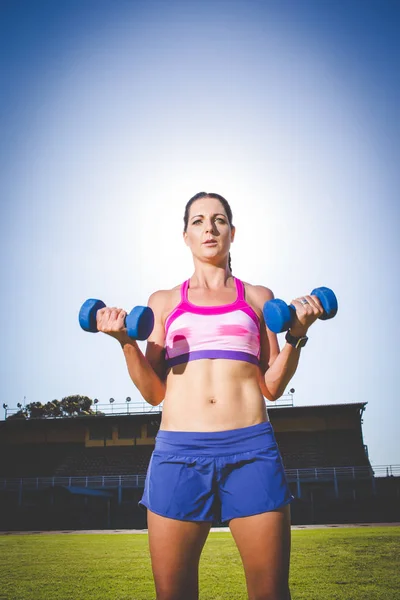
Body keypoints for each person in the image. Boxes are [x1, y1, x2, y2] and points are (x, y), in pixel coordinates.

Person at [96, 192, 324, 600]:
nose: (209, 228)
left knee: (271, 593)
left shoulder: (258, 298)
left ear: (232, 233)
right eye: (198, 221)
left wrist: (298, 334)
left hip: (251, 450)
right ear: (185, 235)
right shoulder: (163, 303)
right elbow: (153, 392)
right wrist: (124, 343)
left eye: (219, 220)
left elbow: (271, 386)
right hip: (178, 454)